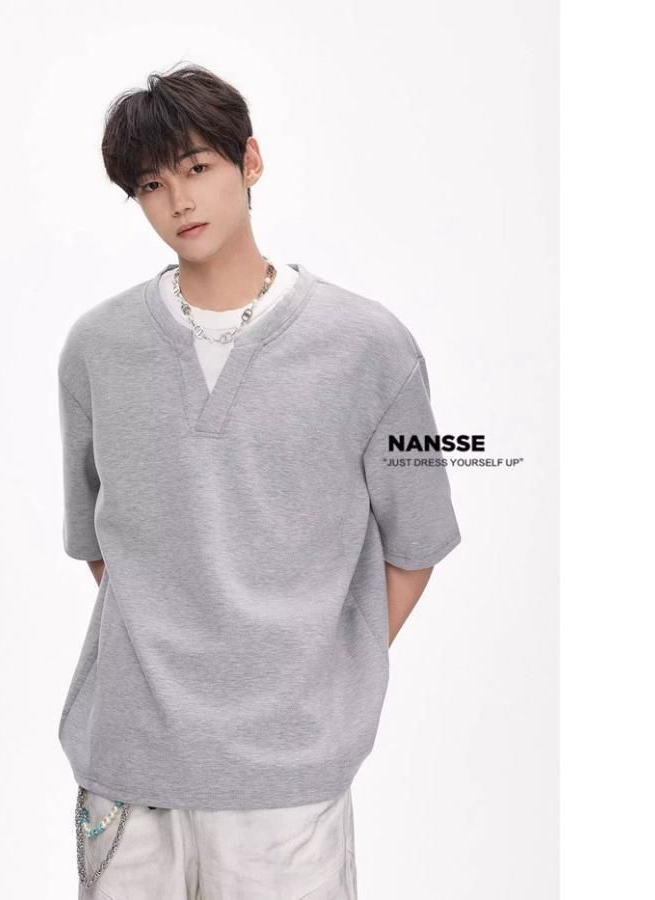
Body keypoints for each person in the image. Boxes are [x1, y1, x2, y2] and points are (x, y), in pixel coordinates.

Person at [57, 62, 461, 900]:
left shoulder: (370, 347)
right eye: (151, 184)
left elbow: (416, 545)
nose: (180, 200)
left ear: (250, 160)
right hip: (128, 771)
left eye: (197, 167)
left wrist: (307, 671)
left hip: (288, 786)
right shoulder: (97, 349)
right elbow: (102, 547)